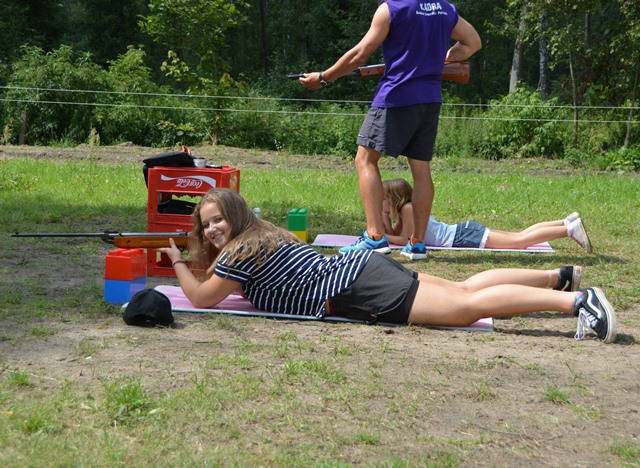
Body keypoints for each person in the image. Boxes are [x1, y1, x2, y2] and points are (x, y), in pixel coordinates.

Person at [157, 188, 616, 343]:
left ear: (236, 216)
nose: (212, 230)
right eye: (206, 224)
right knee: (464, 290)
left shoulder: (238, 252)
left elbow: (201, 297)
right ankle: (557, 278)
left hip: (357, 288)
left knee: (467, 307)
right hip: (360, 271)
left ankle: (579, 303)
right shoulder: (265, 233)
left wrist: (178, 261)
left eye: (217, 220)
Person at [299, 1, 482, 260]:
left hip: (396, 96)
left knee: (365, 160)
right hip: (430, 99)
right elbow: (472, 43)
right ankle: (417, 244)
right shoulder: (444, 8)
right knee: (421, 170)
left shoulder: (392, 9)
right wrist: (441, 59)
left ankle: (374, 237)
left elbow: (359, 55)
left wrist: (323, 78)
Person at [382, 178, 593, 254]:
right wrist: (383, 217)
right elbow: (394, 233)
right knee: (519, 236)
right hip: (464, 232)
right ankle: (565, 221)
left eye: (384, 198)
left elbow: (405, 240)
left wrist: (382, 237)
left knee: (520, 242)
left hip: (463, 236)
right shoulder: (406, 210)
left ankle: (569, 230)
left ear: (394, 197)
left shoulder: (408, 209)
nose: (382, 201)